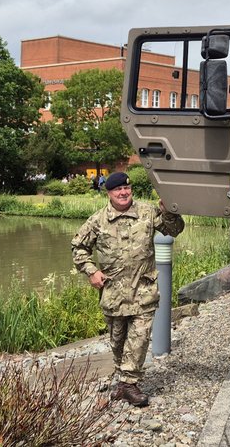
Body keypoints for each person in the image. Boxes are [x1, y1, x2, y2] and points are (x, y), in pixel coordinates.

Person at [71, 171, 185, 407]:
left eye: (127, 189)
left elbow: (174, 230)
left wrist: (169, 211)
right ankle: (123, 382)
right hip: (113, 293)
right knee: (118, 342)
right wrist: (92, 271)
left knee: (140, 338)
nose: (123, 193)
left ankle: (129, 383)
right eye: (117, 190)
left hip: (143, 290)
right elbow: (79, 249)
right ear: (109, 193)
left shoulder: (147, 212)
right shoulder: (97, 221)